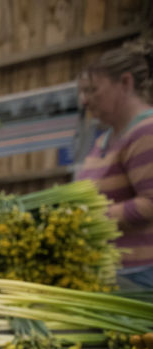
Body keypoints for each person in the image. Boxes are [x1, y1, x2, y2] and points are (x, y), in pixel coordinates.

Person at [76, 34, 153, 287]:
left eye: (92, 90)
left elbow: (150, 203)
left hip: (141, 276)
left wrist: (86, 218)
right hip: (114, 273)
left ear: (125, 83)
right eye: (82, 92)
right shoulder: (106, 137)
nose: (84, 101)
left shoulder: (146, 132)